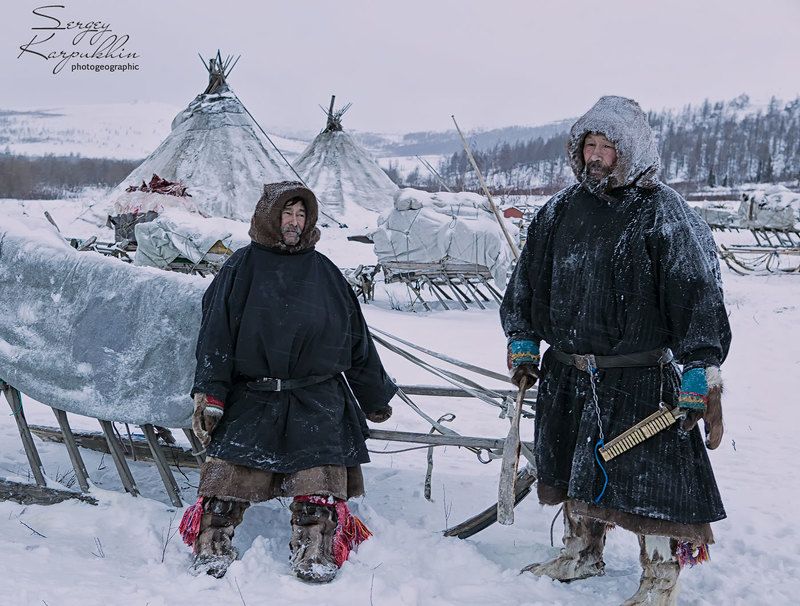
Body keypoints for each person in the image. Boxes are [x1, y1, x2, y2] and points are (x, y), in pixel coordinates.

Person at [500, 96, 731, 605]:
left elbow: (697, 292)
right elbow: (528, 283)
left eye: (608, 148)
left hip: (639, 377)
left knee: (651, 486)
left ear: (631, 152)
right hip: (569, 372)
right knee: (576, 469)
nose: (597, 157)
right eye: (590, 146)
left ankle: (659, 577)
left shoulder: (663, 211)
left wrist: (700, 366)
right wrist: (522, 337)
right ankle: (582, 551)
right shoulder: (558, 211)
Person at [180, 181, 397, 582]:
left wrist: (373, 394)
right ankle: (212, 547)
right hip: (253, 393)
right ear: (269, 217)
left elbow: (356, 339)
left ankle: (313, 551)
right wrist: (211, 392)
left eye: (301, 215)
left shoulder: (325, 272)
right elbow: (216, 335)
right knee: (225, 485)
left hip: (317, 396)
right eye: (287, 214)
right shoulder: (240, 268)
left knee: (318, 489)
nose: (294, 222)